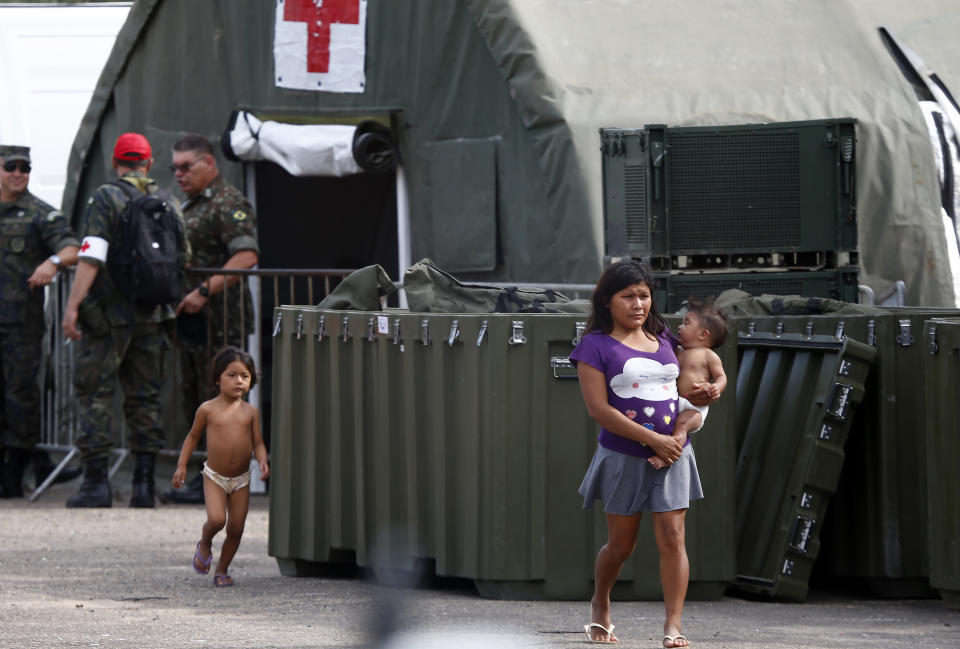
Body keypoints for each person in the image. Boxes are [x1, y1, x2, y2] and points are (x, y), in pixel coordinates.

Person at [570, 260, 722, 647]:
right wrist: (652, 440)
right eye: (628, 296)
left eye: (644, 295)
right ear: (607, 301)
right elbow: (599, 410)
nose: (638, 304)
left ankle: (673, 626)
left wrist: (704, 392)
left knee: (673, 537)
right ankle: (600, 602)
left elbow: (683, 386)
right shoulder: (594, 345)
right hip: (624, 454)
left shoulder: (666, 336)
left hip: (674, 453)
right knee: (621, 545)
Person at [62, 132, 187, 508]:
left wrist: (73, 305)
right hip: (155, 315)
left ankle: (96, 485)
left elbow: (92, 254)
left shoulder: (106, 197)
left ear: (115, 163)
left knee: (95, 396)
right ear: (148, 164)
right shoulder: (171, 202)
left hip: (108, 318)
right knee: (146, 399)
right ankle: (144, 488)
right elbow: (184, 258)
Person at [162, 134, 260, 505]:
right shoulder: (191, 204)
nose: (179, 173)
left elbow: (246, 257)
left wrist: (204, 290)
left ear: (209, 164)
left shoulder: (227, 202)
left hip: (222, 321)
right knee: (199, 401)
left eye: (187, 166)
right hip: (195, 322)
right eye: (175, 167)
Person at [0, 145, 82, 498]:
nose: (19, 173)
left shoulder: (39, 214)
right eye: (11, 166)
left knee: (20, 394)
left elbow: (72, 248)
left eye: (26, 168)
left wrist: (52, 263)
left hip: (19, 324)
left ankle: (15, 473)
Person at [172, 346, 269, 587]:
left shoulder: (251, 412)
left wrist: (263, 460)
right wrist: (181, 465)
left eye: (245, 376)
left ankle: (222, 569)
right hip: (215, 476)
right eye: (232, 375)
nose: (239, 381)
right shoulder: (207, 409)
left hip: (241, 479)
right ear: (217, 378)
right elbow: (193, 437)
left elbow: (257, 442)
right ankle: (205, 542)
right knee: (216, 520)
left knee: (236, 528)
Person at [648, 302, 728, 470]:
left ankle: (669, 457)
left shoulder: (708, 355)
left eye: (686, 323)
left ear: (703, 334)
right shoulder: (678, 351)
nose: (680, 326)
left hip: (694, 409)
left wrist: (716, 387)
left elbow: (721, 376)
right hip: (676, 402)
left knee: (681, 426)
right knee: (666, 426)